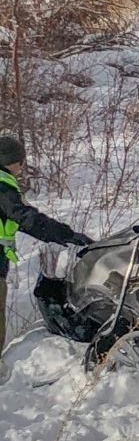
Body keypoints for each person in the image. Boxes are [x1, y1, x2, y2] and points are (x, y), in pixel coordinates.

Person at [0, 136, 93, 356]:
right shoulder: (3, 186)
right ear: (8, 161)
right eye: (19, 161)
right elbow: (26, 218)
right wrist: (68, 235)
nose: (22, 167)